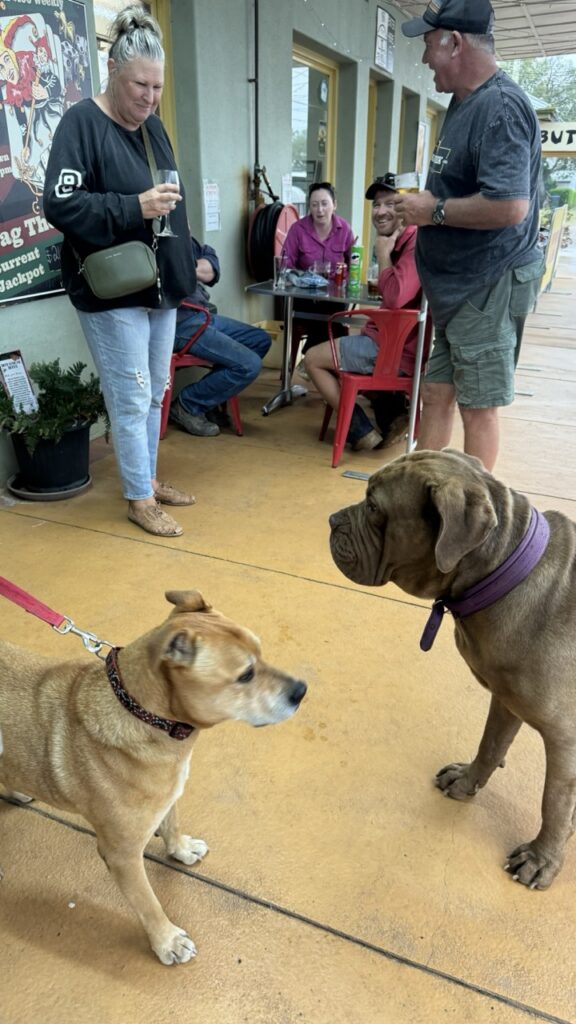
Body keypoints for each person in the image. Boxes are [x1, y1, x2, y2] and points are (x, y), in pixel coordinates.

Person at [43, 4, 197, 538]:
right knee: (131, 393)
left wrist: (193, 260)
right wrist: (133, 207)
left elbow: (174, 205)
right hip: (112, 289)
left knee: (155, 390)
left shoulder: (154, 128)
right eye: (140, 86)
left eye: (157, 87)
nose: (150, 99)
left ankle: (147, 478)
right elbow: (60, 206)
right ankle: (138, 497)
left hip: (161, 287)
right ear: (113, 69)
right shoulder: (81, 123)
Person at [396, 0, 544, 471]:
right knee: (437, 392)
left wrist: (433, 210)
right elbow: (457, 191)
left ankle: (477, 523)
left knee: (477, 407)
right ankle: (422, 497)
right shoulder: (464, 102)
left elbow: (510, 205)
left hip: (488, 283)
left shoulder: (500, 107)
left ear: (454, 42)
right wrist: (411, 209)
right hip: (458, 292)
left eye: (427, 45)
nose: (424, 59)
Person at [304, 173, 422, 451]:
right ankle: (392, 415)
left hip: (394, 349)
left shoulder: (414, 244)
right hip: (391, 340)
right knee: (344, 340)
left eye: (390, 204)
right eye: (376, 205)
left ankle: (359, 429)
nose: (380, 212)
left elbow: (394, 298)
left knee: (311, 359)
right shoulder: (401, 239)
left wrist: (382, 255)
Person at [169, 237, 271, 436]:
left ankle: (208, 400)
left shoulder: (187, 241)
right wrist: (195, 268)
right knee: (249, 365)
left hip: (202, 314)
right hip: (179, 323)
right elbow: (176, 271)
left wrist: (189, 267)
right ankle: (187, 404)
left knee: (260, 340)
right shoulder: (159, 241)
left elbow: (211, 267)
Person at [282, 181, 355, 357]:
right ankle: (318, 359)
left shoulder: (344, 229)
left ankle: (311, 355)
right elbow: (285, 263)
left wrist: (347, 277)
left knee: (332, 312)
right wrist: (301, 279)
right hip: (304, 296)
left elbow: (353, 264)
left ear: (334, 205)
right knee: (328, 319)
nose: (319, 210)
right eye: (314, 205)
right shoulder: (298, 229)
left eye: (324, 204)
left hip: (334, 296)